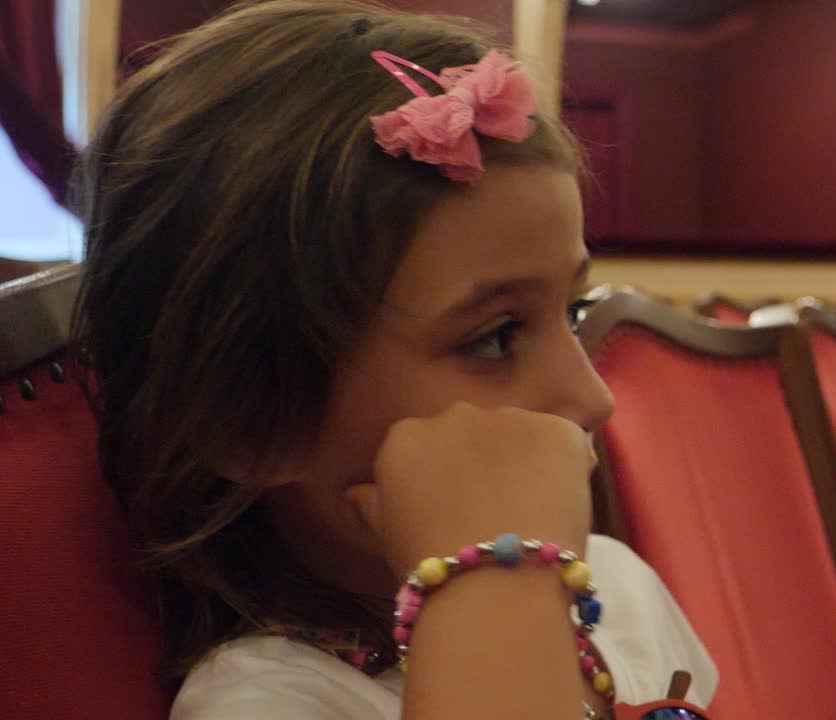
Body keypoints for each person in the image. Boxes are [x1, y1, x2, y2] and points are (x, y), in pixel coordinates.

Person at [71, 2, 716, 718]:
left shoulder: (617, 587)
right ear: (249, 422)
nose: (593, 397)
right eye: (496, 337)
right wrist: (493, 576)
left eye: (571, 312)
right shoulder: (272, 702)